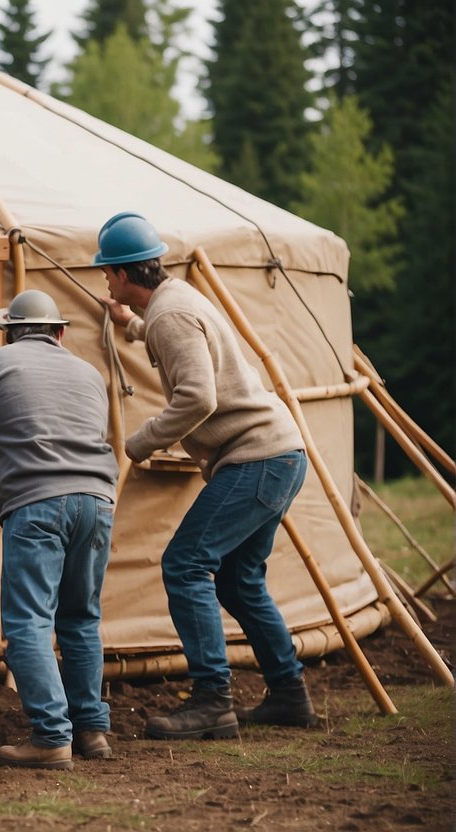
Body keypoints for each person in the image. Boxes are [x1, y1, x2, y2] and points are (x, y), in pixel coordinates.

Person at [95, 211, 319, 740]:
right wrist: (131, 325)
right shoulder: (178, 301)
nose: (105, 280)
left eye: (108, 272)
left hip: (256, 457)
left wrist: (141, 441)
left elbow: (198, 396)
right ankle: (289, 695)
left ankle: (211, 701)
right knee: (239, 582)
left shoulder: (171, 315)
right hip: (279, 454)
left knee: (185, 563)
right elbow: (179, 337)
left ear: (126, 275)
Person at [0, 290, 118, 770]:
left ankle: (52, 737)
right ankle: (92, 731)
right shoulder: (89, 373)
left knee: (29, 622)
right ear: (59, 333)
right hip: (98, 501)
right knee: (81, 619)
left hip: (37, 504)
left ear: (10, 332)